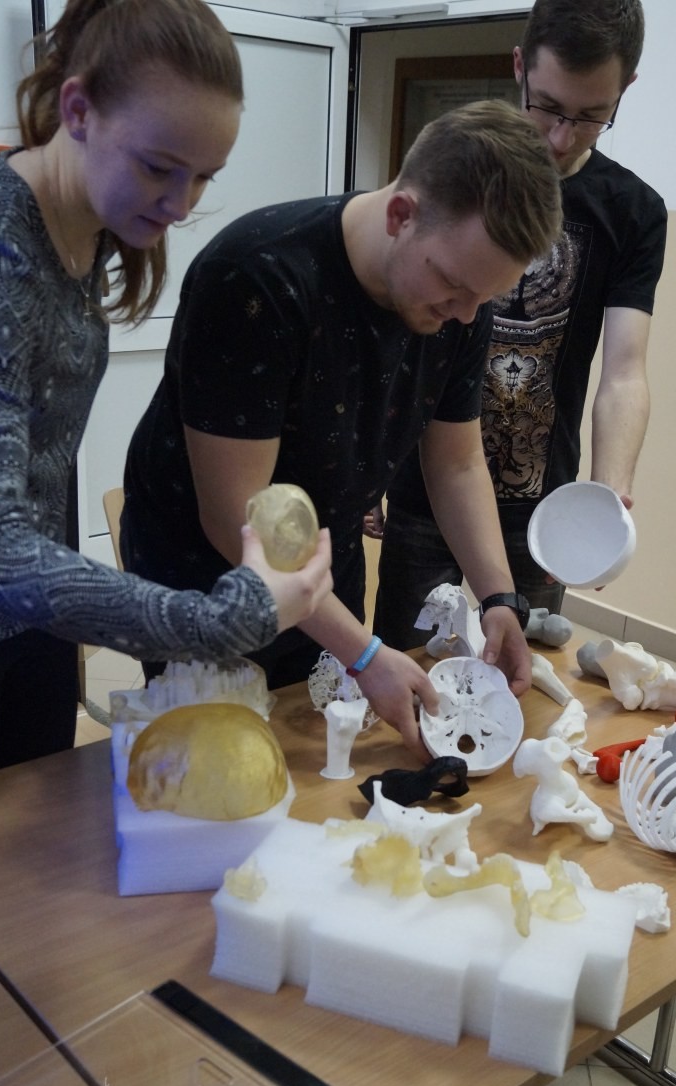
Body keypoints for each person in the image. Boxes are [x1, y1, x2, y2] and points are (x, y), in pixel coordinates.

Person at [120, 99, 563, 759]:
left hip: (326, 560)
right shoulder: (257, 279)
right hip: (207, 579)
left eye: (484, 297)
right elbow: (235, 518)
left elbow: (456, 463)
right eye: (453, 286)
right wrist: (365, 653)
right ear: (401, 214)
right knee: (215, 769)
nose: (467, 315)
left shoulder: (459, 304)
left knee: (324, 757)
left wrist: (499, 598)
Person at [0, 0, 333, 778]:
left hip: (31, 622)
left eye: (202, 176)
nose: (180, 204)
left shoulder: (86, 225)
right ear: (78, 110)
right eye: (158, 167)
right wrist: (218, 620)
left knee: (41, 829)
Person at [373, 0, 667, 649]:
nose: (561, 138)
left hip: (541, 510)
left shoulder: (633, 212)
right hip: (425, 487)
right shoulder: (456, 169)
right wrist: (370, 456)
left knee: (522, 681)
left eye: (591, 115)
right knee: (408, 673)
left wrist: (609, 488)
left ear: (625, 89)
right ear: (518, 67)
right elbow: (396, 319)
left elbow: (624, 372)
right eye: (549, 107)